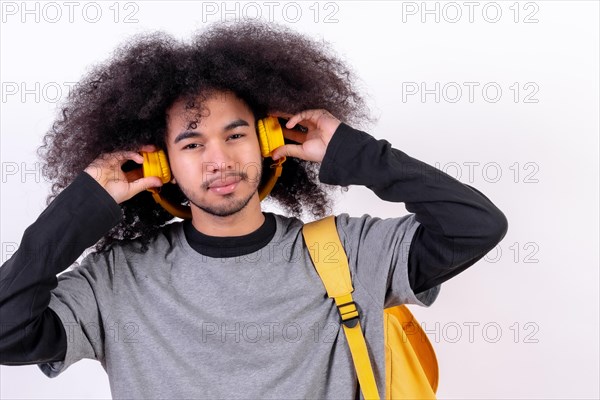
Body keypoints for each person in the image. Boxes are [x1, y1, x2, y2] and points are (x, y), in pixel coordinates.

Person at [0, 22, 508, 399]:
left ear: (269, 139)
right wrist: (86, 200)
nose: (219, 160)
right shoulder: (115, 279)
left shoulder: (349, 253)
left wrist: (353, 153)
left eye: (236, 134)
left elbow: (475, 226)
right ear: (161, 161)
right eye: (193, 144)